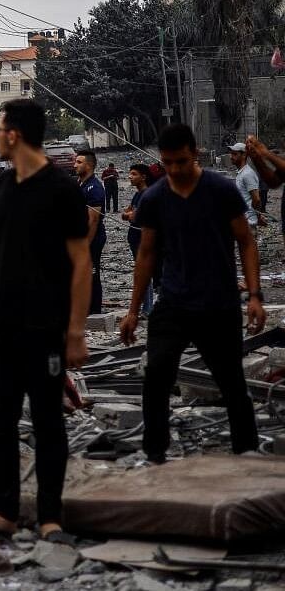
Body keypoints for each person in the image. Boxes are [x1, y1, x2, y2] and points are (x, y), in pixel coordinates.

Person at [0, 99, 92, 544]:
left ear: (13, 134)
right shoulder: (3, 185)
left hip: (45, 329)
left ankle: (51, 517)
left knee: (48, 422)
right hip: (1, 327)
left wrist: (75, 332)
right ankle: (5, 513)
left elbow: (81, 264)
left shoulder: (62, 188)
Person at [119, 124, 263, 464]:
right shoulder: (155, 198)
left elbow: (246, 241)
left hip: (219, 303)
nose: (174, 170)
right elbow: (147, 254)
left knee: (230, 381)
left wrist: (255, 295)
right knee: (156, 376)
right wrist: (133, 310)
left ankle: (247, 450)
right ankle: (155, 453)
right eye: (167, 163)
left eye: (181, 161)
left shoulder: (220, 190)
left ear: (194, 153)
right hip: (173, 303)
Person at [75, 150, 107, 315]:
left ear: (89, 165)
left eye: (79, 162)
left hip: (92, 238)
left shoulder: (94, 188)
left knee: (92, 273)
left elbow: (93, 221)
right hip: (81, 238)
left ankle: (94, 311)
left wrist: (85, 245)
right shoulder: (81, 184)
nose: (75, 165)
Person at [121, 164, 154, 315]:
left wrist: (131, 215)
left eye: (134, 174)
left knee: (144, 273)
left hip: (142, 240)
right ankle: (146, 307)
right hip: (134, 238)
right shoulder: (137, 194)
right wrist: (130, 214)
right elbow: (127, 213)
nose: (130, 177)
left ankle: (147, 309)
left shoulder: (147, 195)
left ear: (143, 177)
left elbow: (135, 216)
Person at [230, 142, 261, 228]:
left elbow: (256, 199)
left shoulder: (247, 174)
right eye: (231, 154)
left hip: (249, 222)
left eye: (235, 154)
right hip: (243, 221)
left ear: (244, 155)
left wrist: (258, 217)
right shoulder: (241, 173)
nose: (231, 157)